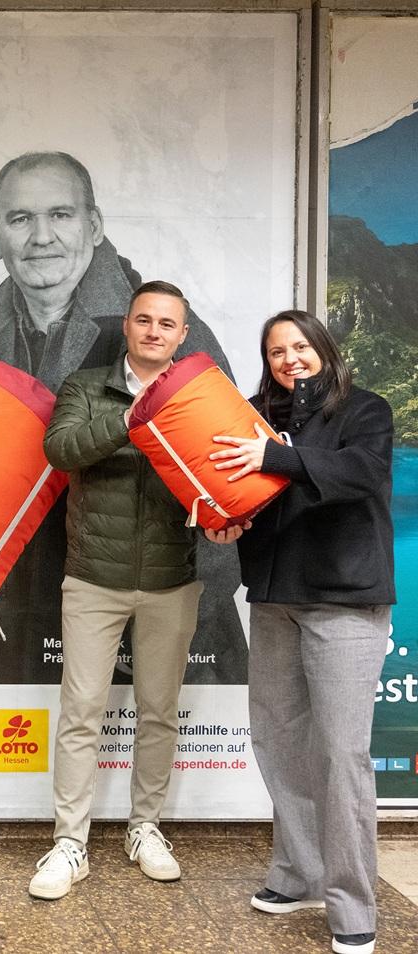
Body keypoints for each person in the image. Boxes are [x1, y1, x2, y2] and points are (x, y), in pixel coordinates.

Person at [0, 150, 244, 687]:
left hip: (153, 609)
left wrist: (185, 614)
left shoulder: (163, 332)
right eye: (21, 218)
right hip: (26, 621)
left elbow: (220, 479)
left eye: (60, 215)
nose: (41, 237)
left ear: (95, 225)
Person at [207, 310, 393, 954]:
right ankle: (300, 873)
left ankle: (353, 906)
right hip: (274, 597)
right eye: (276, 351)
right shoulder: (255, 415)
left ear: (323, 348)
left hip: (345, 599)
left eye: (300, 346)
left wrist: (277, 456)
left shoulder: (365, 410)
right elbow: (242, 491)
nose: (290, 359)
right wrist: (225, 523)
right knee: (279, 742)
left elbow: (361, 473)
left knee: (341, 754)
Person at [29, 281, 204, 901]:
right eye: (144, 320)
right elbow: (60, 449)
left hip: (171, 578)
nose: (154, 331)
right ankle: (69, 843)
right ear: (126, 326)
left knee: (159, 710)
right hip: (93, 578)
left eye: (167, 324)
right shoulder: (84, 387)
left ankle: (145, 828)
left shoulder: (198, 396)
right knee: (81, 711)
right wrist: (130, 418)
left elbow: (218, 472)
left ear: (183, 335)